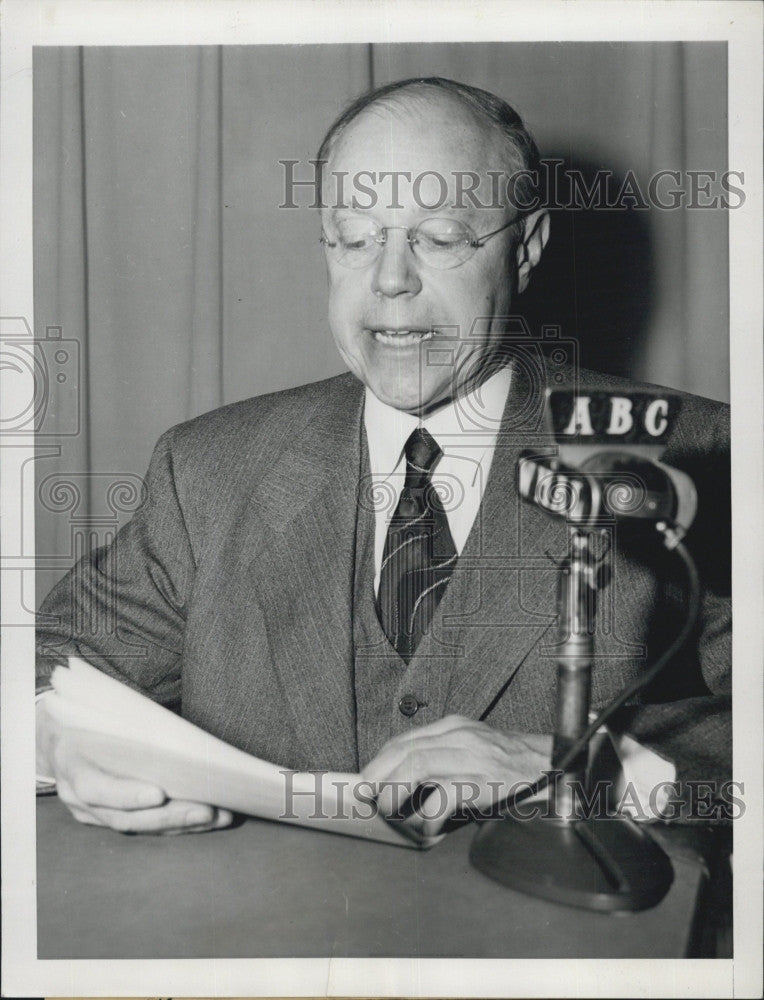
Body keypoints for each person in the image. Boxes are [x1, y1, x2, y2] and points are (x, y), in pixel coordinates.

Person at [35, 77, 731, 839]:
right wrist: (63, 745)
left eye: (437, 239)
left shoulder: (692, 454)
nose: (390, 281)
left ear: (526, 249)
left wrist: (589, 771)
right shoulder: (208, 471)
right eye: (356, 238)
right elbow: (47, 674)